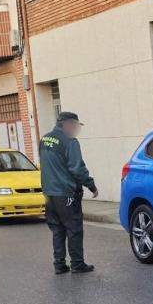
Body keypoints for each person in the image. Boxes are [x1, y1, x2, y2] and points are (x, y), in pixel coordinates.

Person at [39, 112, 98, 275]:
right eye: (75, 125)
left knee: (57, 229)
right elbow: (76, 168)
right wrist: (91, 185)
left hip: (49, 192)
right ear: (68, 124)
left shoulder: (44, 139)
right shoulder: (70, 141)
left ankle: (59, 264)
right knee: (74, 229)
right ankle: (77, 264)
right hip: (66, 193)